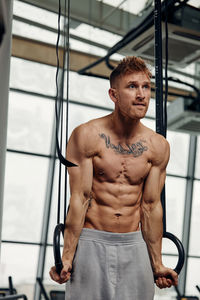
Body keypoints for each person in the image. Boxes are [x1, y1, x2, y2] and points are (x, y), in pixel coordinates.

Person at [50, 56, 178, 300]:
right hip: (92, 241)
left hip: (134, 243)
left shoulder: (158, 146)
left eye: (146, 87)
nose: (141, 94)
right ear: (113, 94)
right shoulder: (87, 135)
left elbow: (150, 206)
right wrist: (66, 257)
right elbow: (80, 198)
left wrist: (158, 263)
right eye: (132, 86)